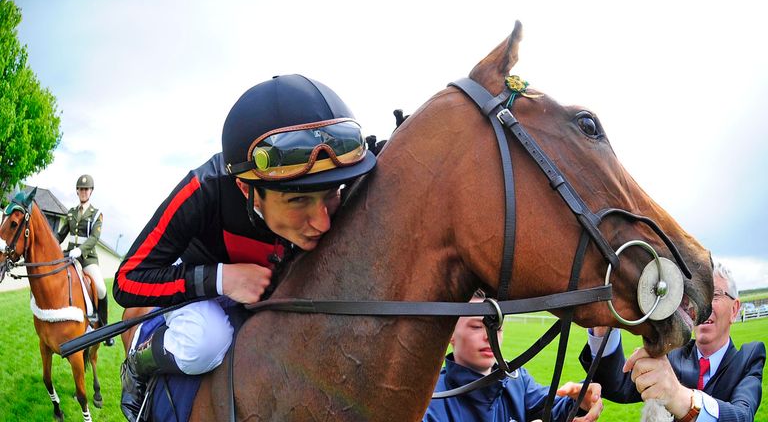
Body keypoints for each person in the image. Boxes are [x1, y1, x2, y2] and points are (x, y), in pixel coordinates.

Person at [113, 74, 377, 421]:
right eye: (298, 200)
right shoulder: (203, 189)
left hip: (279, 298)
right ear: (244, 188)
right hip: (201, 298)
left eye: (331, 194)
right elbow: (127, 281)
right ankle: (139, 363)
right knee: (206, 340)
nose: (323, 223)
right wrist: (221, 279)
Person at [579, 263, 765, 421]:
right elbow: (616, 385)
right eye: (697, 296)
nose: (703, 306)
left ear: (735, 309)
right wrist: (603, 323)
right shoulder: (673, 353)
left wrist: (678, 395)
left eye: (714, 295)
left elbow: (743, 415)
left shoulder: (748, 359)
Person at [423, 290, 604, 422]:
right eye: (477, 327)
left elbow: (553, 409)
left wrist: (579, 401)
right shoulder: (429, 400)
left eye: (497, 328)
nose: (490, 336)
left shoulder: (517, 381)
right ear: (450, 335)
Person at [57, 174, 114, 346]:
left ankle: (104, 329)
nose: (83, 192)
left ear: (91, 191)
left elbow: (94, 238)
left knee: (101, 289)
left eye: (86, 189)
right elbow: (60, 235)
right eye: (81, 189)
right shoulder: (71, 213)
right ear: (77, 191)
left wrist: (80, 250)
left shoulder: (97, 214)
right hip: (69, 257)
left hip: (87, 259)